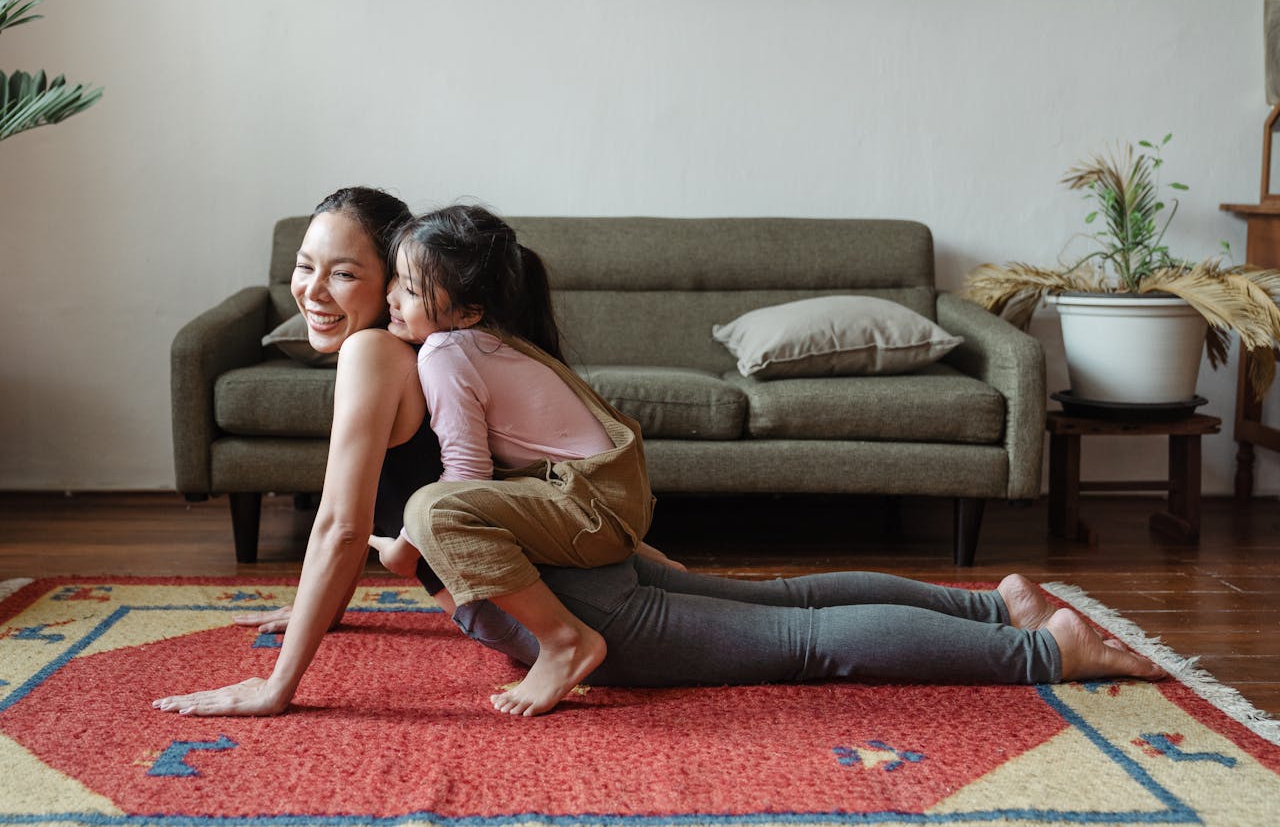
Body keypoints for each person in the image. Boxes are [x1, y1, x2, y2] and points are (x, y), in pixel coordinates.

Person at [152, 191, 1163, 720]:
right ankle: (1001, 605)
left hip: (572, 602)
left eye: (344, 272)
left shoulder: (384, 352)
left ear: (399, 283)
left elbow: (350, 520)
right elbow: (416, 509)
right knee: (790, 604)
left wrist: (279, 681)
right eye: (301, 269)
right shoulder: (443, 347)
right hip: (573, 556)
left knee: (803, 646)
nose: (314, 292)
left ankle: (1040, 649)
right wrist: (323, 595)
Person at [377, 204, 676, 716]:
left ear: (468, 310)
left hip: (594, 508)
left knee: (432, 511)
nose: (391, 296)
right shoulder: (490, 341)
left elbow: (466, 476)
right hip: (611, 499)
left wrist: (406, 549)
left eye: (409, 287)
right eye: (395, 281)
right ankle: (642, 557)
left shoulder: (444, 352)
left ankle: (564, 642)